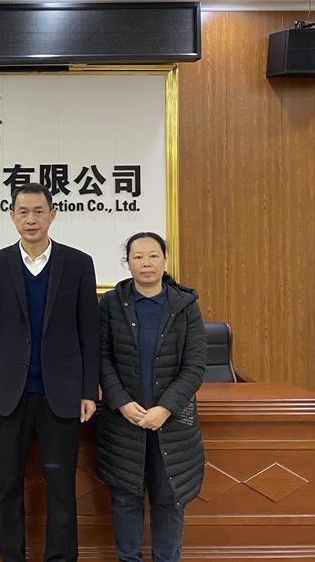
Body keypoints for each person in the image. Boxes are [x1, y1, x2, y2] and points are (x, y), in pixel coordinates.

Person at [0, 183, 99, 562]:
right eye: (23, 212)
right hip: (8, 394)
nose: (31, 219)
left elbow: (89, 332)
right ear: (11, 216)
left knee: (61, 486)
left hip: (62, 393)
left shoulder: (78, 263)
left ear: (52, 214)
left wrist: (88, 390)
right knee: (7, 484)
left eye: (38, 211)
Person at [96, 232, 207, 562]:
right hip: (122, 420)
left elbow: (195, 365)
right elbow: (101, 357)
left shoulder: (185, 306)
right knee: (125, 498)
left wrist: (165, 408)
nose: (146, 263)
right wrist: (121, 402)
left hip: (171, 423)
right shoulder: (111, 304)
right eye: (138, 256)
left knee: (168, 497)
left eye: (153, 255)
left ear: (165, 261)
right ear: (127, 262)